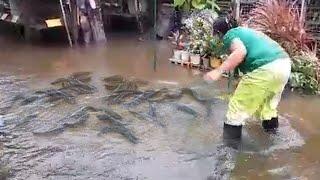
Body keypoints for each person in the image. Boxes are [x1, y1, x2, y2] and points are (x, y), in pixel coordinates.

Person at [204, 17, 291, 141]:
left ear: (219, 33)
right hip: (283, 65)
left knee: (235, 111)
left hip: (264, 69)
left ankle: (229, 153)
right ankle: (273, 141)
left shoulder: (230, 35)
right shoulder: (245, 32)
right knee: (267, 108)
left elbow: (240, 53)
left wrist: (218, 71)